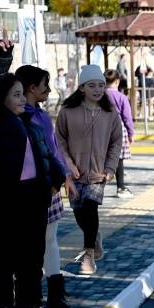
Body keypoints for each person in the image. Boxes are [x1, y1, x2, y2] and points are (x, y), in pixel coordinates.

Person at [0, 39, 65, 308]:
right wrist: (1, 58)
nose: (22, 99)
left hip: (31, 203)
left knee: (29, 263)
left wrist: (57, 177)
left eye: (23, 94)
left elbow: (46, 155)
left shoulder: (31, 122)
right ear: (1, 98)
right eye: (15, 94)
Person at [16, 65, 73, 308]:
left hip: (49, 186)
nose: (48, 90)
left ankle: (55, 292)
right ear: (31, 88)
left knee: (50, 240)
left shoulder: (41, 116)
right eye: (44, 85)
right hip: (24, 189)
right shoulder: (17, 117)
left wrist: (62, 177)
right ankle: (25, 296)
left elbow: (53, 149)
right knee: (24, 244)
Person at [56, 64, 123, 275]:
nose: (97, 89)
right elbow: (59, 141)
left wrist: (110, 167)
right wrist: (68, 165)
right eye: (92, 85)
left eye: (101, 85)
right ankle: (94, 237)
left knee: (91, 209)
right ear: (82, 88)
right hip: (74, 174)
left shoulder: (110, 113)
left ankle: (88, 256)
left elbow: (116, 142)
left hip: (98, 173)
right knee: (79, 213)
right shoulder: (67, 111)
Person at [105, 69, 136, 198]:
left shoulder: (99, 95)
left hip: (102, 127)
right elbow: (127, 116)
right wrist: (131, 133)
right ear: (117, 81)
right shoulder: (121, 97)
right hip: (118, 127)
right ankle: (121, 187)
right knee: (118, 159)